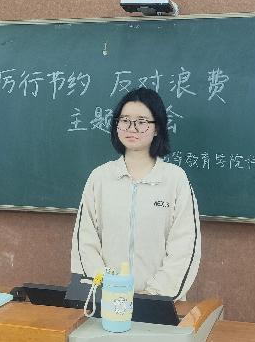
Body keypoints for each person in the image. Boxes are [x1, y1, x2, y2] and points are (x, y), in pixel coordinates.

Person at [71, 87, 201, 300]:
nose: (132, 128)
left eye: (141, 121)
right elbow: (84, 243)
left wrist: (152, 295)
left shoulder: (175, 179)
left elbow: (185, 248)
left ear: (157, 128)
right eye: (125, 120)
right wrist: (110, 290)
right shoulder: (100, 178)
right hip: (107, 301)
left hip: (158, 303)